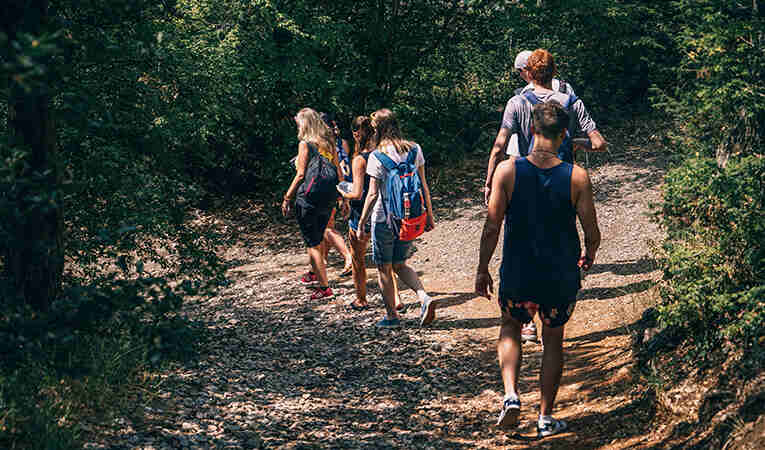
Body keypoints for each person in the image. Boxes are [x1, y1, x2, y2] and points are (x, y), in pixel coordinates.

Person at [475, 101, 601, 437]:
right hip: (559, 275)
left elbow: (492, 226)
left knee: (510, 326)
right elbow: (592, 232)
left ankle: (511, 396)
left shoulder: (507, 171)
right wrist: (589, 255)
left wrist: (482, 268)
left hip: (519, 271)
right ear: (564, 135)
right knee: (553, 340)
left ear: (531, 130)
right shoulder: (577, 177)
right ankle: (545, 417)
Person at [356, 108, 436, 328]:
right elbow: (424, 186)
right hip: (409, 217)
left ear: (376, 130)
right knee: (400, 264)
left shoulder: (376, 156)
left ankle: (392, 317)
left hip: (384, 219)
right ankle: (423, 297)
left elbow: (372, 194)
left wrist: (362, 222)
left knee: (384, 267)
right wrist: (429, 215)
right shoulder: (414, 149)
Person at [338, 115, 406, 312]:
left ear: (356, 134)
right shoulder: (382, 153)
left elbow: (359, 193)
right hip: (384, 211)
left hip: (362, 213)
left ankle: (361, 299)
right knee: (386, 262)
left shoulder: (360, 159)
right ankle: (397, 299)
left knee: (358, 259)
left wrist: (344, 192)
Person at [282, 107, 344, 300]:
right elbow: (339, 172)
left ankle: (324, 288)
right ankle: (315, 274)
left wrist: (287, 197)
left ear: (304, 124)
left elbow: (300, 174)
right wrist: (342, 197)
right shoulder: (329, 143)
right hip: (329, 198)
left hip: (308, 198)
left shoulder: (305, 144)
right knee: (317, 238)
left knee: (313, 244)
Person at [506, 50, 577, 159]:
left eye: (519, 71)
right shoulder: (566, 87)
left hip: (534, 161)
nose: (520, 75)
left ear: (527, 70)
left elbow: (515, 142)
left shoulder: (524, 95)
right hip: (562, 156)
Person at [317, 112, 353, 277]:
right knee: (327, 225)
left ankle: (347, 256)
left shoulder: (317, 144)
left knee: (325, 227)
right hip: (339, 185)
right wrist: (344, 194)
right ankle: (321, 261)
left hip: (323, 188)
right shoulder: (338, 143)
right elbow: (342, 169)